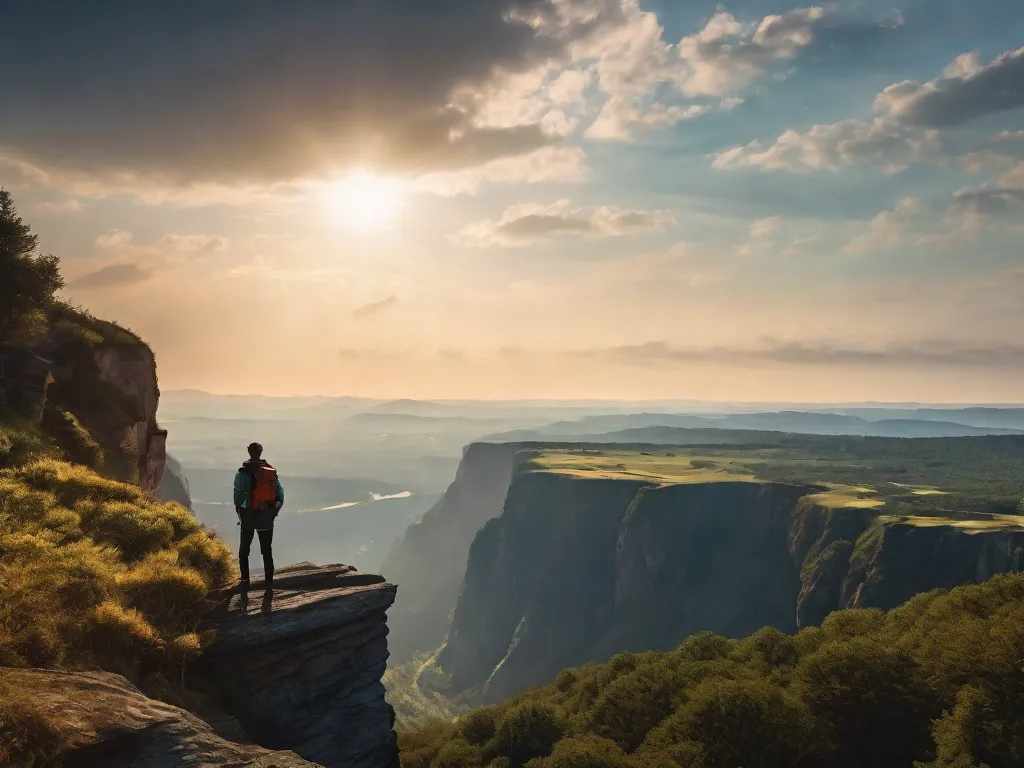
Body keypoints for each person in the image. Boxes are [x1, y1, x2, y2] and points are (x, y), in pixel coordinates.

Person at [233, 442, 284, 593]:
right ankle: (269, 583)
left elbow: (238, 496)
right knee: (266, 550)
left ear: (248, 452)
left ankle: (245, 581)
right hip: (266, 516)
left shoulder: (242, 473)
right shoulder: (270, 472)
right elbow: (280, 494)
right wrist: (274, 510)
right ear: (261, 452)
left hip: (248, 516)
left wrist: (240, 511)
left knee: (244, 550)